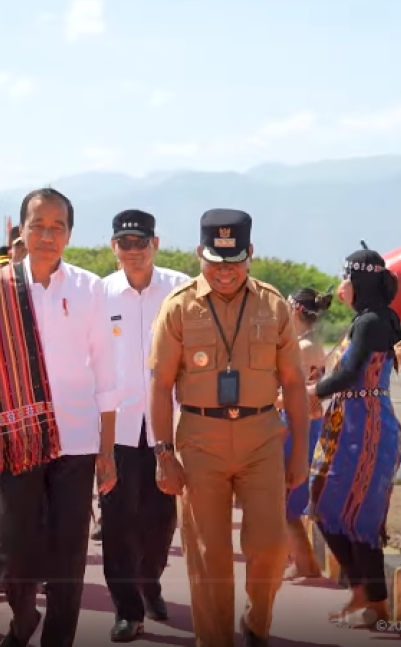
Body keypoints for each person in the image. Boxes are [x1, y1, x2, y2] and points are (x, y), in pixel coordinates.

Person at [0, 188, 119, 647]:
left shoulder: (90, 288)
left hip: (76, 441)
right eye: (38, 225)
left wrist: (106, 450)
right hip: (17, 437)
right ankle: (23, 618)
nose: (47, 235)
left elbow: (107, 372)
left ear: (69, 234)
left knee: (69, 555)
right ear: (22, 232)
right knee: (15, 549)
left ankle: (58, 639)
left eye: (57, 226)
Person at [148, 208, 310, 647]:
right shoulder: (178, 307)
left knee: (272, 545)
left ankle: (257, 621)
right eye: (216, 261)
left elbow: (294, 384)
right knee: (209, 556)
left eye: (234, 261)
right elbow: (160, 385)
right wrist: (164, 453)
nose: (225, 272)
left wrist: (300, 455)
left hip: (261, 437)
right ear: (200, 253)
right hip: (201, 439)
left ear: (251, 254)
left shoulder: (273, 304)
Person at [99, 209, 190, 641]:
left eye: (140, 243)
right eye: (124, 243)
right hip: (116, 427)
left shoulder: (181, 290)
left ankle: (150, 581)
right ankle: (127, 609)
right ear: (113, 247)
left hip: (166, 427)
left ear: (155, 244)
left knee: (158, 519)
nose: (132, 251)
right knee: (115, 519)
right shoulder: (100, 295)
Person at [305, 243, 401, 628]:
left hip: (366, 429)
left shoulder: (371, 322)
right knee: (327, 505)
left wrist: (309, 392)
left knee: (358, 516)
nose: (342, 285)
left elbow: (348, 375)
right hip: (348, 425)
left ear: (360, 280)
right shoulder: (371, 317)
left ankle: (372, 601)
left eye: (347, 277)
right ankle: (365, 595)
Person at [280, 287, 332, 582]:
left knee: (286, 500)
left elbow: (293, 393)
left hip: (297, 422)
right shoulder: (303, 342)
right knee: (286, 499)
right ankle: (298, 560)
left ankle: (305, 564)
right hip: (298, 419)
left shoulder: (303, 347)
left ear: (296, 310)